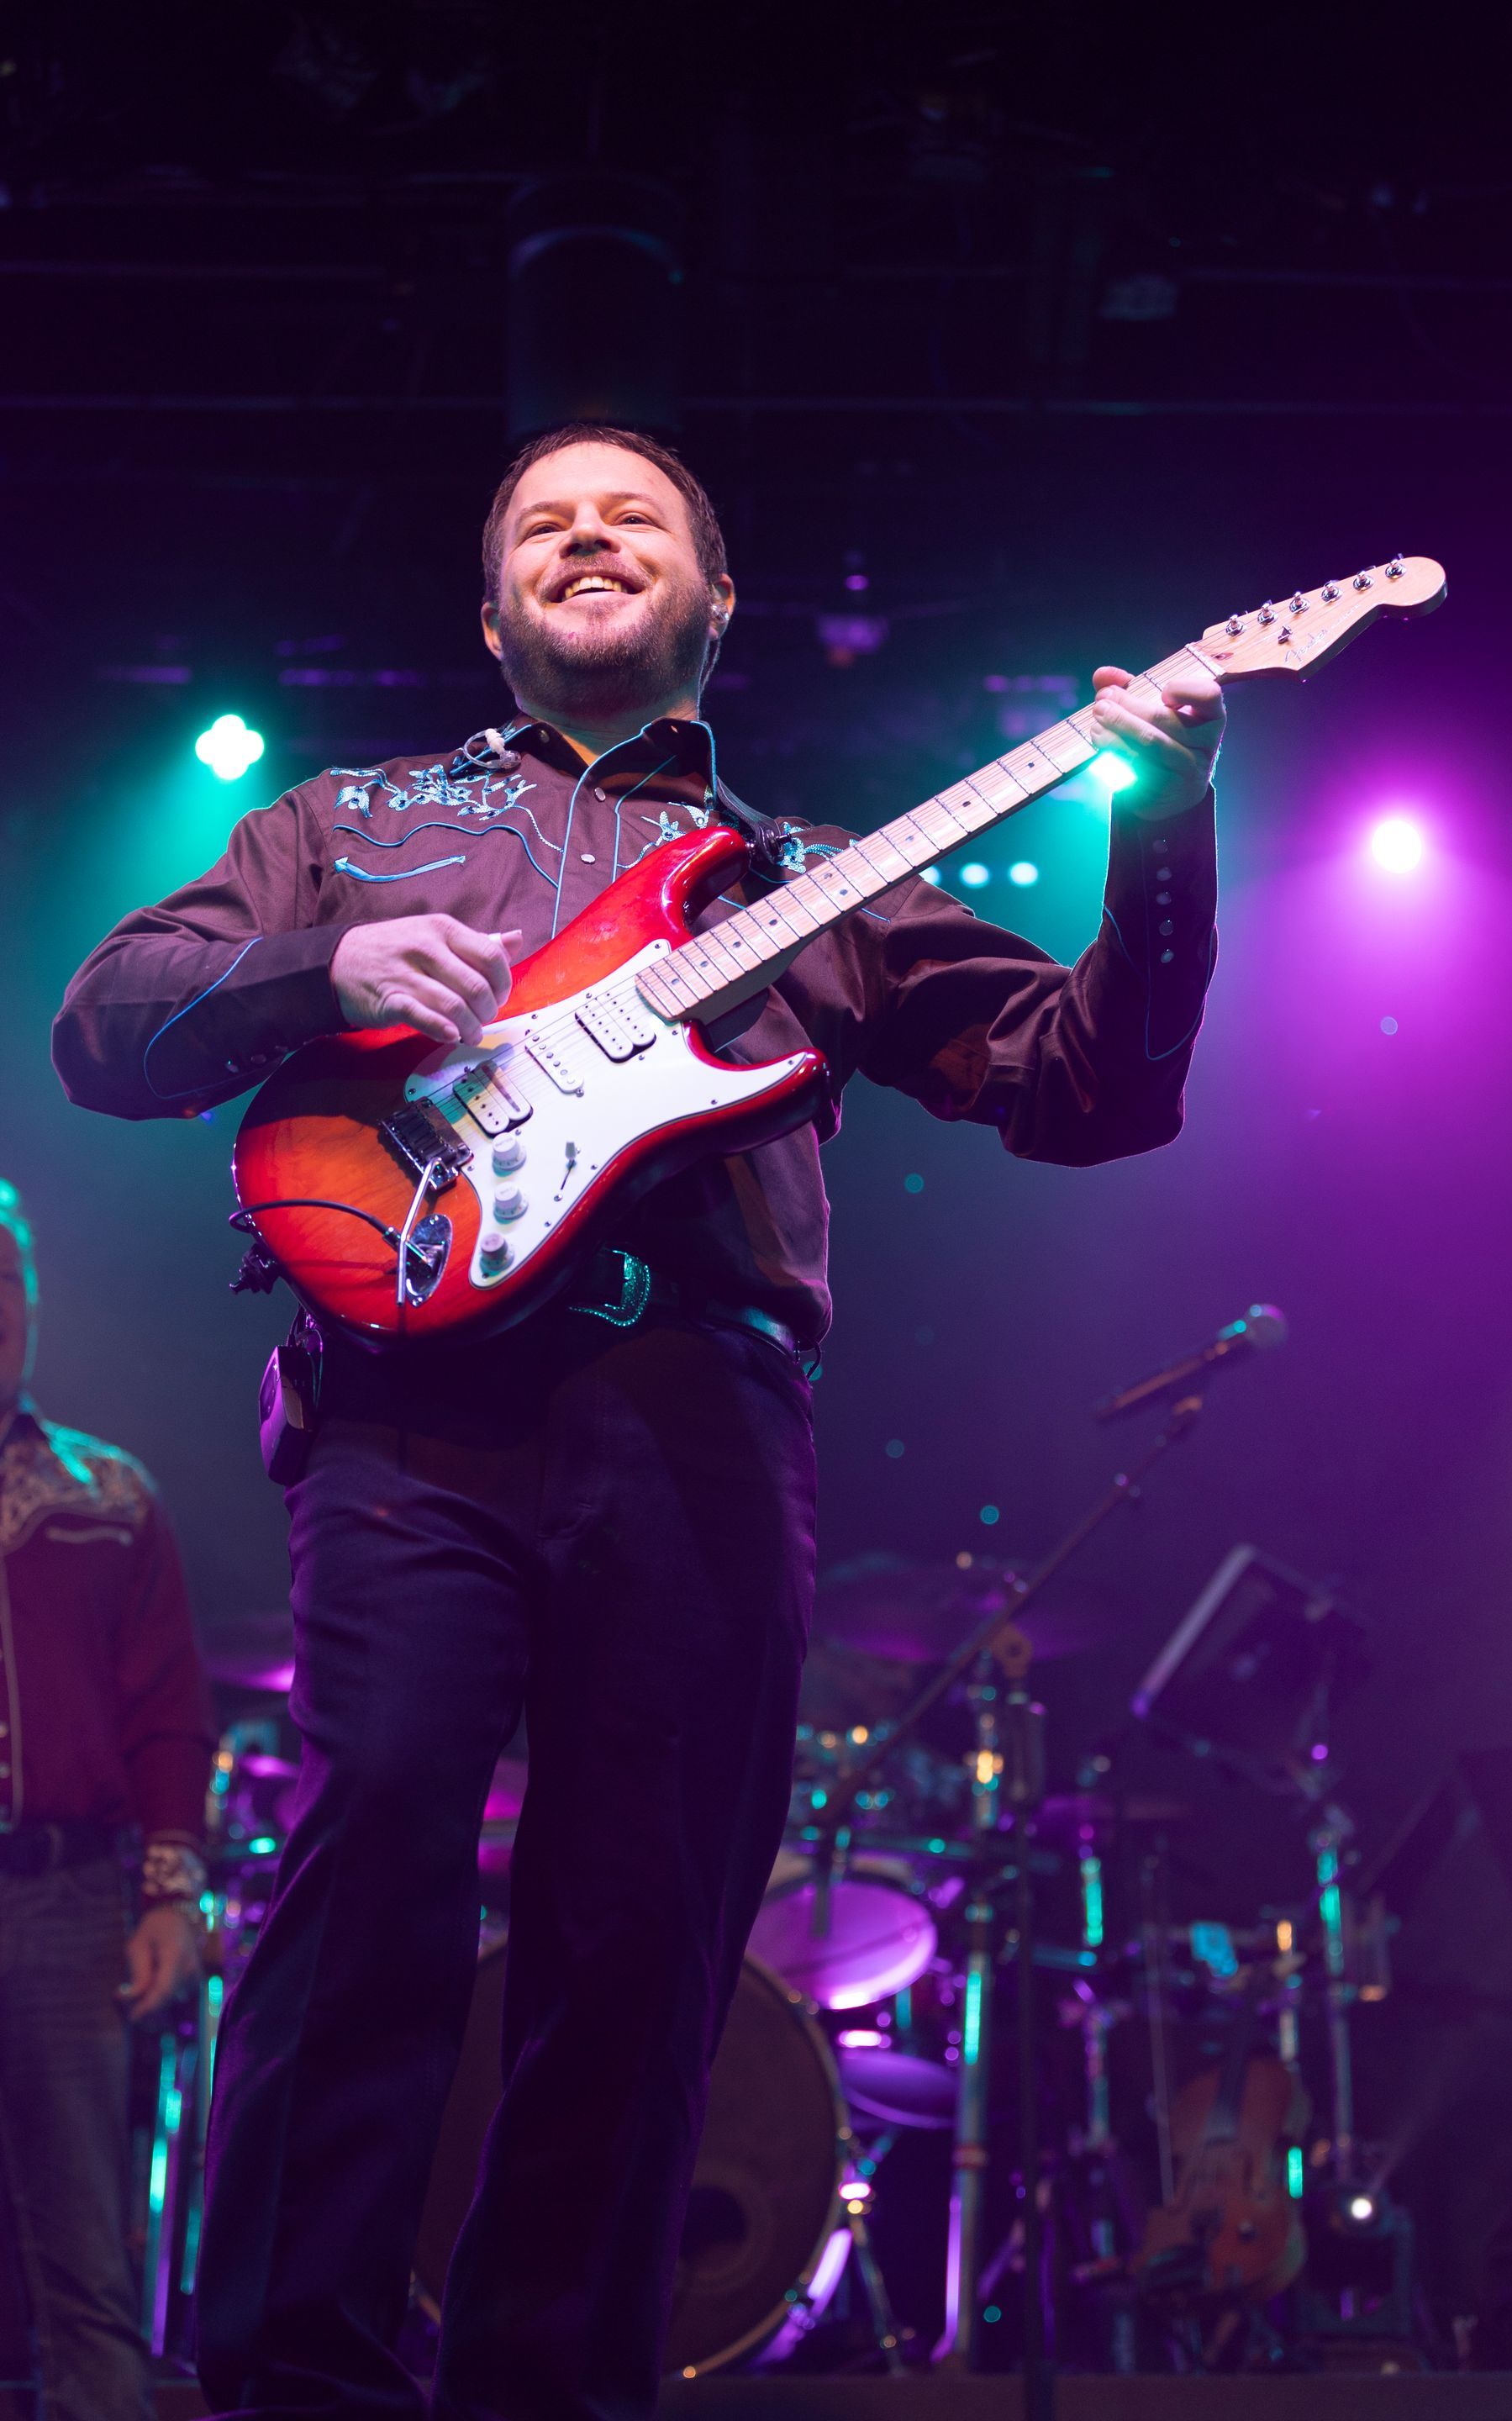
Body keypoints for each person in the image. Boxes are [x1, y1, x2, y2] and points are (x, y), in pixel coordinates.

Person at [51, 424, 1225, 2421]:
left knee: (642, 1933)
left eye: (635, 519)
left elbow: (1093, 1090)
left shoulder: (811, 880)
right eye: (545, 522)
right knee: (373, 1852)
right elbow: (104, 1024)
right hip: (410, 1406)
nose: (588, 538)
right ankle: (289, 2384)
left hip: (697, 1416)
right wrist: (326, 963)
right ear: (489, 608)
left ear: (718, 599)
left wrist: (1168, 822)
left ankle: (556, 2391)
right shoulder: (352, 818)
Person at [0, 1179, 214, 2420]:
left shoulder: (113, 1494)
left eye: (5, 1280)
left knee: (87, 2259)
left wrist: (170, 1897)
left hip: (71, 1899)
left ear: (34, 1303)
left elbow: (170, 1714)